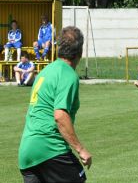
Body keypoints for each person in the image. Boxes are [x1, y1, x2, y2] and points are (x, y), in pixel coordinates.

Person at [18, 26, 92, 182]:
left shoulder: (45, 72)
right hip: (50, 148)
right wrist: (81, 149)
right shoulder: (68, 74)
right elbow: (60, 116)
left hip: (27, 150)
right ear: (80, 51)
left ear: (59, 48)